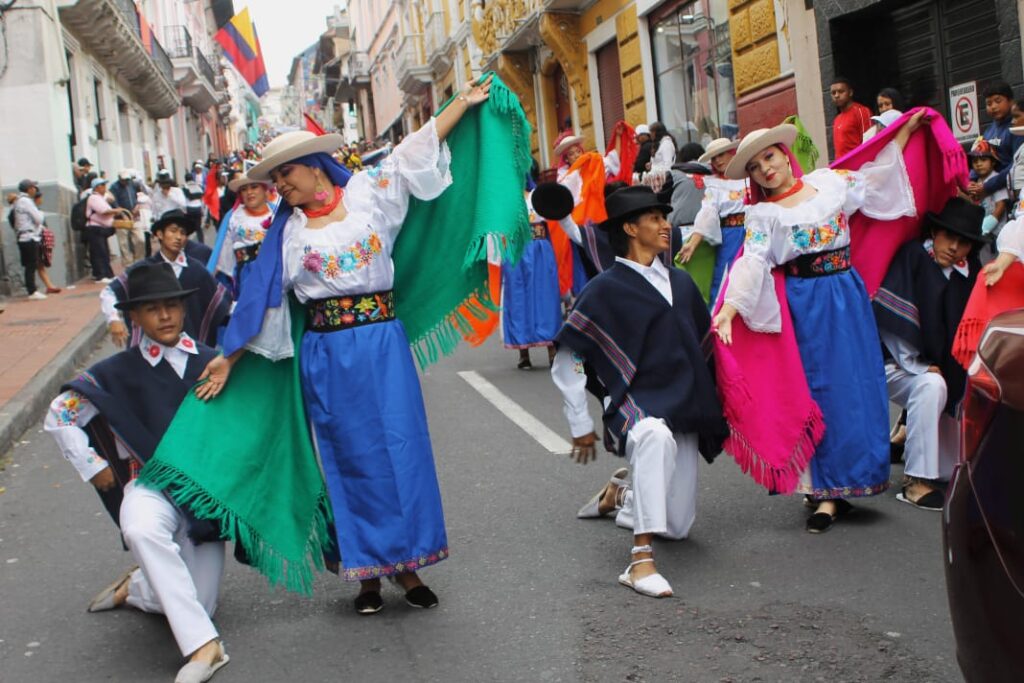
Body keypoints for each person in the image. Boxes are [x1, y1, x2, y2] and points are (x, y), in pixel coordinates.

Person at [153, 77, 500, 615]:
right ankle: (365, 575)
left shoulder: (368, 196)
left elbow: (415, 150)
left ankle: (408, 565)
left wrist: (462, 103)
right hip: (328, 353)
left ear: (315, 166)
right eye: (273, 180)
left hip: (383, 344)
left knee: (402, 449)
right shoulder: (288, 234)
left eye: (285, 174)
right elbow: (262, 303)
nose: (279, 186)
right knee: (350, 458)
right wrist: (228, 357)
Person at [713, 111, 927, 532]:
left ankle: (855, 477)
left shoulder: (830, 183)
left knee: (858, 385)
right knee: (820, 389)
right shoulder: (763, 216)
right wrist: (729, 310)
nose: (765, 169)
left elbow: (876, 175)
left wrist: (903, 131)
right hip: (805, 304)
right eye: (755, 167)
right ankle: (825, 492)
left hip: (847, 294)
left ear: (784, 154)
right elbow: (751, 264)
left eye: (769, 157)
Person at [44, 262, 230, 683]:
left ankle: (138, 587)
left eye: (172, 306)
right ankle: (206, 648)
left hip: (203, 502)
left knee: (198, 604)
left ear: (184, 309)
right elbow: (60, 414)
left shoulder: (214, 362)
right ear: (135, 318)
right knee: (140, 527)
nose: (164, 316)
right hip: (150, 487)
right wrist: (92, 465)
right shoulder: (115, 372)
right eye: (151, 309)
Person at [552, 185, 727, 597]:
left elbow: (706, 349)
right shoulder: (604, 289)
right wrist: (579, 422)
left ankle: (622, 493)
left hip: (684, 404)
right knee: (654, 435)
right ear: (630, 228)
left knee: (677, 527)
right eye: (655, 218)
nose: (666, 225)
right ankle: (640, 561)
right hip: (633, 403)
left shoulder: (682, 284)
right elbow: (569, 356)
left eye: (665, 218)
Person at [873, 197, 986, 510]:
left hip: (944, 369)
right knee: (931, 385)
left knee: (961, 389)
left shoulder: (971, 273)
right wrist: (917, 365)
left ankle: (938, 465)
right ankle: (915, 480)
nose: (954, 247)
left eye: (964, 242)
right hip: (894, 364)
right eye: (949, 236)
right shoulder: (914, 256)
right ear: (935, 232)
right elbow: (891, 325)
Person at [100, 209, 230, 348]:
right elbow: (109, 292)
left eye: (183, 233)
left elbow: (220, 303)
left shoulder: (195, 269)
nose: (179, 237)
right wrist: (113, 319)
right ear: (160, 234)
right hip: (151, 349)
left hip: (189, 347)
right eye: (173, 231)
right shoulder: (143, 270)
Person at [505, 182, 571, 369]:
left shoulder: (539, 195)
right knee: (519, 300)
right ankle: (523, 353)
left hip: (541, 250)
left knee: (546, 298)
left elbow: (558, 213)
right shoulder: (506, 196)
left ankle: (552, 350)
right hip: (517, 251)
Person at [675, 138, 745, 306]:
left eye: (721, 155)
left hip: (757, 233)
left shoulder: (750, 177)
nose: (717, 160)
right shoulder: (715, 185)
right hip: (732, 237)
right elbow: (708, 213)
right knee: (726, 279)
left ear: (732, 153)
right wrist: (693, 243)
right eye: (713, 158)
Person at [211, 174, 274, 298]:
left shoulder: (276, 214)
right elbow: (225, 253)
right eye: (244, 189)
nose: (249, 192)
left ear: (264, 189)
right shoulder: (234, 218)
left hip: (274, 275)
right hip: (246, 278)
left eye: (254, 187)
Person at [967, 82, 1021, 205]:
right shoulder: (988, 131)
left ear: (1011, 101)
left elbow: (1016, 164)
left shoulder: (1016, 129)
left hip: (1012, 193)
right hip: (990, 194)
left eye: (998, 101)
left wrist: (988, 185)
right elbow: (979, 155)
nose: (993, 106)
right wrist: (972, 181)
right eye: (989, 103)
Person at [10, 179, 56, 299]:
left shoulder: (19, 201)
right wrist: (41, 213)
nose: (35, 190)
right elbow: (38, 219)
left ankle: (32, 290)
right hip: (29, 237)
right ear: (29, 189)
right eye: (33, 187)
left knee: (30, 265)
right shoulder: (26, 201)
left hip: (23, 236)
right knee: (31, 265)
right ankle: (32, 291)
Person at [967, 137, 1008, 245]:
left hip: (997, 233)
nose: (979, 164)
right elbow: (974, 203)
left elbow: (1001, 206)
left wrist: (987, 225)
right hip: (982, 232)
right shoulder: (977, 181)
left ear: (993, 161)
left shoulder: (996, 179)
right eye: (975, 161)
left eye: (983, 159)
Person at [85, 178, 125, 283]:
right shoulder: (94, 198)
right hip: (95, 228)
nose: (104, 187)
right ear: (96, 187)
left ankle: (108, 274)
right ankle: (101, 275)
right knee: (100, 252)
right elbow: (103, 211)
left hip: (101, 228)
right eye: (102, 185)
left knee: (104, 252)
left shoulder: (101, 198)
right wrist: (115, 211)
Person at [830, 77, 873, 158]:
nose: (836, 95)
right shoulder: (837, 119)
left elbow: (870, 142)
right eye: (833, 93)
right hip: (841, 165)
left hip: (858, 164)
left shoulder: (861, 111)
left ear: (850, 93)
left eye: (841, 91)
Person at [110, 170, 147, 264]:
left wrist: (137, 206)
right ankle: (128, 263)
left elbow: (139, 196)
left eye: (127, 180)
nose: (126, 182)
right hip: (121, 217)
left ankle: (139, 260)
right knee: (124, 243)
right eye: (124, 180)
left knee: (140, 239)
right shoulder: (114, 187)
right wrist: (122, 214)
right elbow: (114, 202)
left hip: (134, 216)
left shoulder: (133, 184)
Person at [183, 172, 206, 244]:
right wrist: (202, 209)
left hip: (189, 209)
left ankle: (186, 243)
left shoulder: (185, 187)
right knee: (198, 228)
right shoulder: (198, 186)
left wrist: (184, 211)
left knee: (187, 227)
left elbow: (184, 200)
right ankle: (201, 243)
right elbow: (202, 199)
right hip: (198, 208)